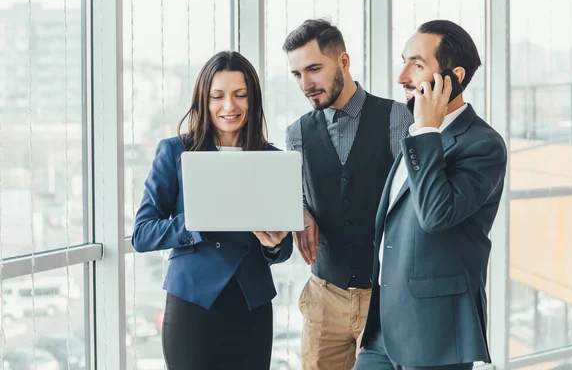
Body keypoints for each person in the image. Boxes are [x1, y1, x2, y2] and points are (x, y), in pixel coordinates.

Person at [355, 20, 508, 370]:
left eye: (417, 65)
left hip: (435, 335)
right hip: (383, 333)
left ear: (452, 76)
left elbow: (436, 216)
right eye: (404, 61)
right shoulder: (415, 138)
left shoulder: (482, 145)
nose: (402, 77)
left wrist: (426, 129)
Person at [131, 51, 293, 370]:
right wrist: (197, 223)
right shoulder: (175, 151)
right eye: (217, 96)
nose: (229, 106)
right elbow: (142, 234)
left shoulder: (273, 159)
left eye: (240, 95)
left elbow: (284, 247)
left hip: (252, 307)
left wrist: (274, 244)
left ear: (253, 100)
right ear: (203, 101)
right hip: (192, 306)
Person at [284, 18, 413, 370]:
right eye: (297, 74)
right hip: (324, 299)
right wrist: (300, 210)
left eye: (313, 69)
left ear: (343, 61)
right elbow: (295, 197)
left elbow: (417, 201)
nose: (306, 84)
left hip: (384, 298)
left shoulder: (398, 119)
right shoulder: (295, 134)